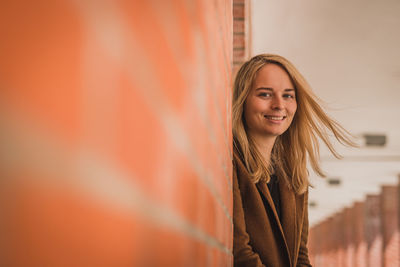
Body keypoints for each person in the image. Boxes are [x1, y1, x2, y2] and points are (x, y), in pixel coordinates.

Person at [232, 54, 355, 267]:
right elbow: (239, 253)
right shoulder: (231, 162)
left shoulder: (294, 175)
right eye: (265, 94)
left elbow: (299, 256)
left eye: (288, 96)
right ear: (242, 100)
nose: (279, 105)